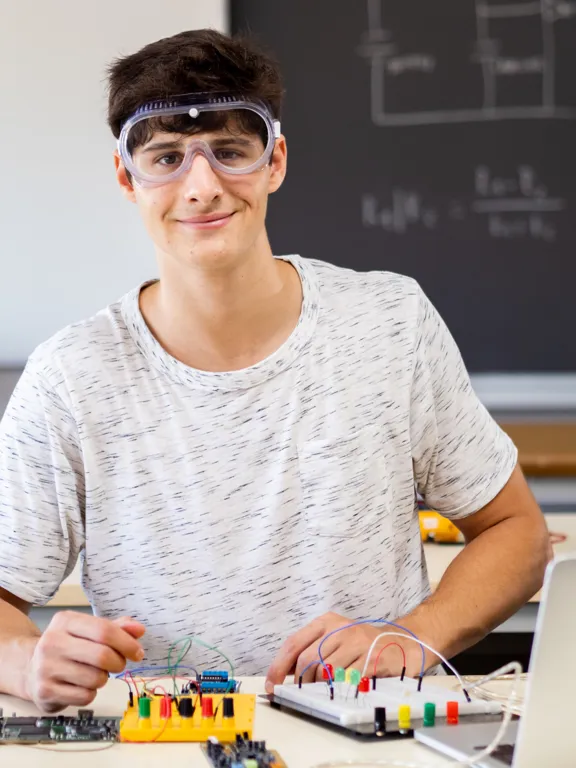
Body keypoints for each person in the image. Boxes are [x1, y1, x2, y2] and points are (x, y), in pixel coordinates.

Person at [0, 29, 550, 714]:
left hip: (369, 736)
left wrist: (413, 635)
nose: (201, 187)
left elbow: (518, 533)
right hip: (164, 746)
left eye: (231, 151)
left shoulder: (389, 321)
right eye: (166, 157)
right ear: (126, 178)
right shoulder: (70, 377)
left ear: (275, 161)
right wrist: (25, 661)